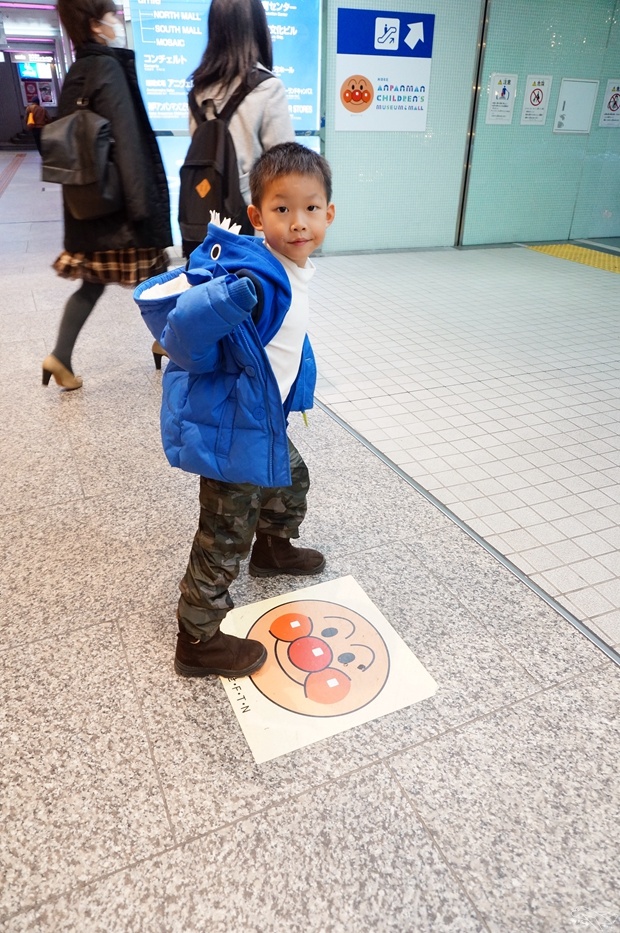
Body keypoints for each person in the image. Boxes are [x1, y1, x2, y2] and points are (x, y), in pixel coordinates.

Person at [134, 142, 335, 678]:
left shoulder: (292, 268)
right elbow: (184, 334)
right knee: (224, 533)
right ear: (256, 216)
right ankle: (196, 640)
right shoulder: (255, 279)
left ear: (329, 213)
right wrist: (222, 302)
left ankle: (273, 548)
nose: (298, 223)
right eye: (281, 209)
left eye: (310, 208)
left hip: (261, 418)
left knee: (291, 478)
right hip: (233, 429)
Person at [41, 0, 172, 391]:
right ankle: (170, 345)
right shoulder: (108, 68)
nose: (118, 21)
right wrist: (144, 211)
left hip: (88, 209)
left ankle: (60, 356)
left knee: (92, 283)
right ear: (97, 26)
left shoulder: (77, 71)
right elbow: (129, 145)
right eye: (113, 15)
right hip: (122, 211)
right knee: (161, 280)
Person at [183, 0, 294, 255]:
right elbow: (286, 171)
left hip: (203, 218)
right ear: (257, 27)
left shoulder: (198, 91)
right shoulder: (267, 88)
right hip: (251, 227)